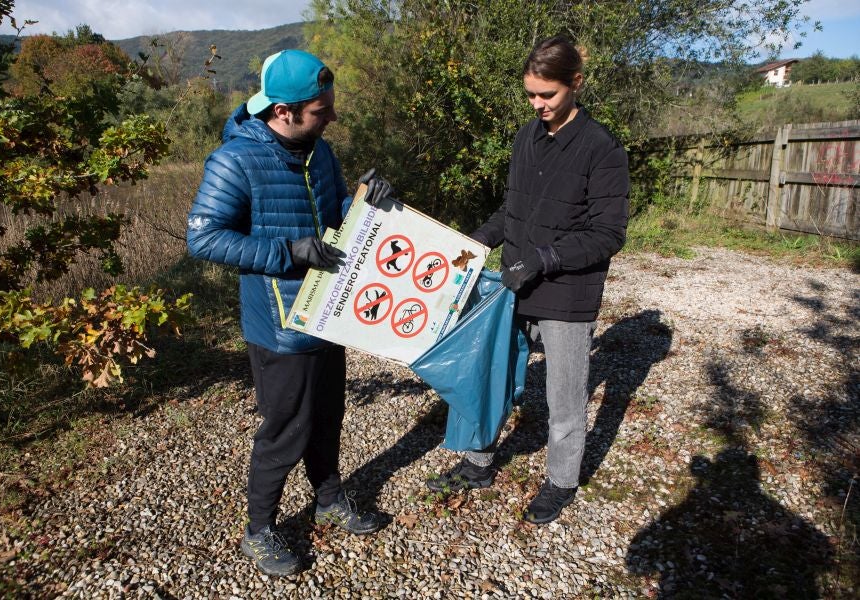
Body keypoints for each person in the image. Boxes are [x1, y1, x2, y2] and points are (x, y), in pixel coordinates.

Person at [187, 49, 393, 576]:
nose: (331, 117)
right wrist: (289, 252)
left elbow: (336, 210)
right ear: (283, 110)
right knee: (285, 430)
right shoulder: (235, 160)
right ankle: (259, 532)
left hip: (330, 311)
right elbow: (205, 238)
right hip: (280, 325)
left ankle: (328, 500)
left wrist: (366, 203)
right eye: (321, 110)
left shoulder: (318, 150)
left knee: (327, 418)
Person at [426, 37, 629, 525]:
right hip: (511, 285)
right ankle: (478, 463)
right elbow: (512, 210)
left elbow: (608, 234)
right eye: (531, 95)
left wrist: (544, 258)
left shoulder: (603, 149)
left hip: (566, 294)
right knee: (490, 375)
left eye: (548, 95)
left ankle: (561, 481)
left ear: (575, 84)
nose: (538, 105)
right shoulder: (525, 136)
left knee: (563, 399)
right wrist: (475, 243)